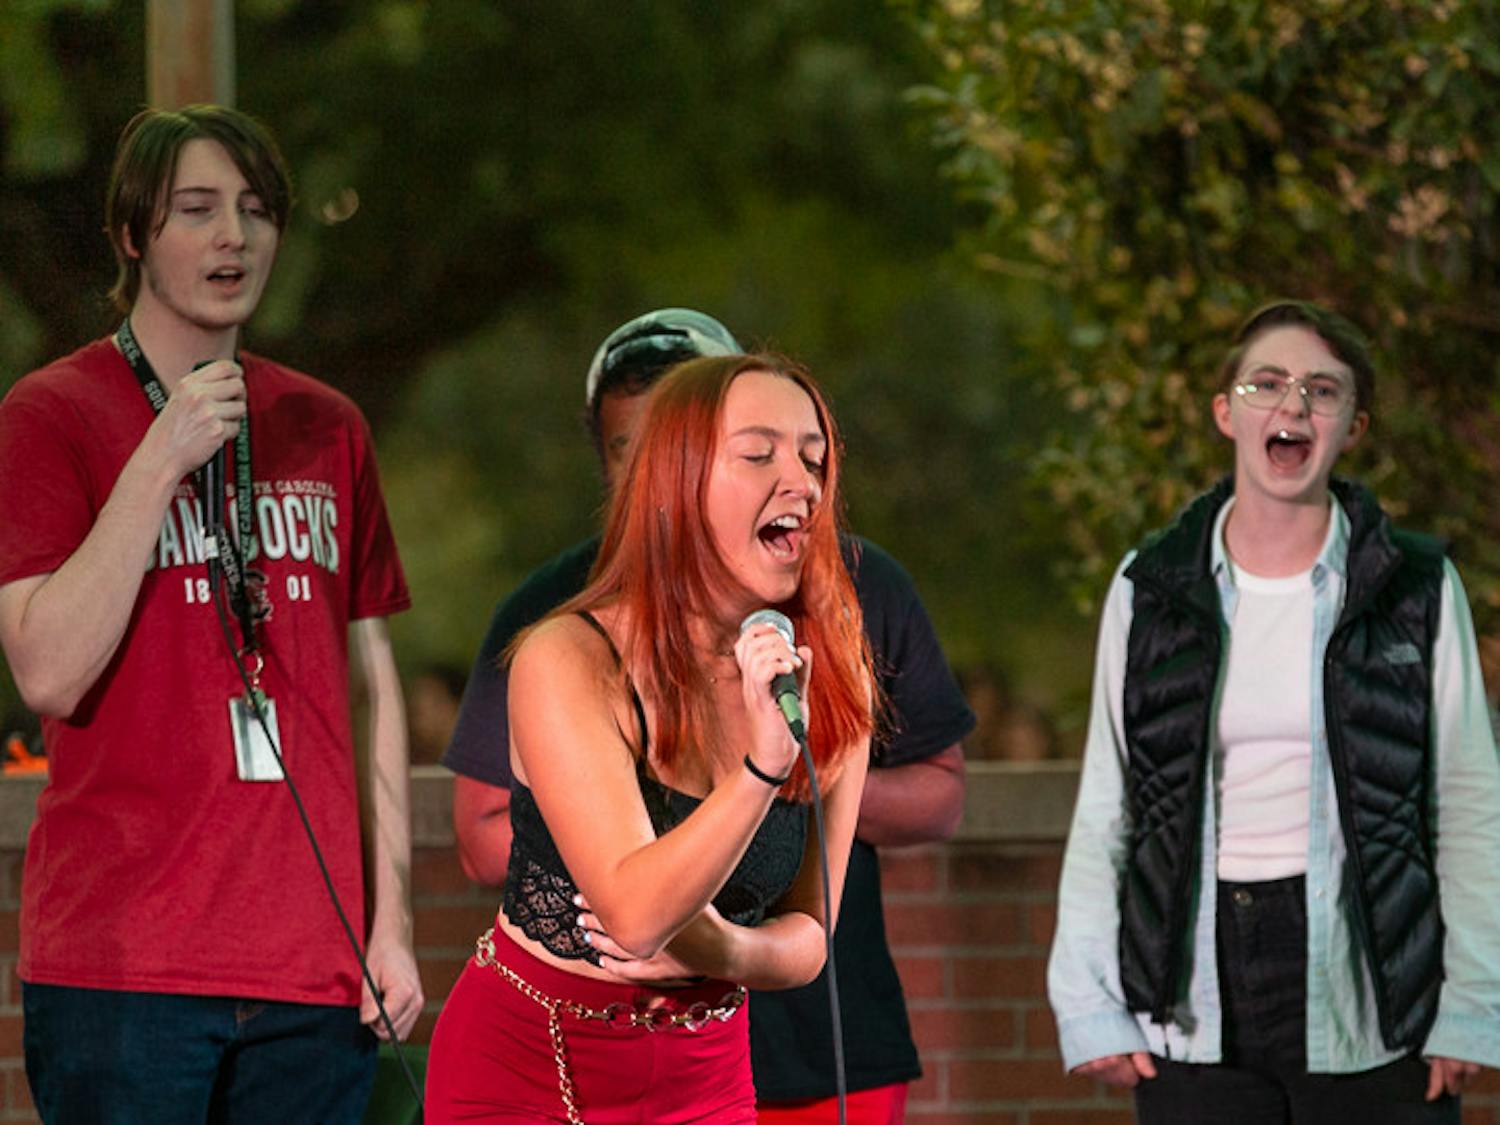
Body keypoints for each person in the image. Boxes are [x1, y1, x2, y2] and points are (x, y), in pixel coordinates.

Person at [441, 309, 973, 1120]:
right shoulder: (567, 655)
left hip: (706, 1068)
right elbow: (635, 911)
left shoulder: (833, 671)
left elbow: (810, 927)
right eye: (758, 454)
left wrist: (733, 950)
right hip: (535, 1060)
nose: (799, 480)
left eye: (813, 457)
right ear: (673, 480)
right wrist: (761, 769)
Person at [0, 105, 422, 1123]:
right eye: (197, 209)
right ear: (133, 235)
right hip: (123, 969)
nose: (235, 235)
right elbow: (47, 671)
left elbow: (371, 687)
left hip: (314, 966)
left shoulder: (327, 426)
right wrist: (160, 459)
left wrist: (391, 918)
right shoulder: (49, 415)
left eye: (257, 210)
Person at [1047, 299, 1500, 1123]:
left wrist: (1475, 1001)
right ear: (1227, 412)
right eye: (1268, 383)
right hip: (1192, 988)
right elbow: (1111, 803)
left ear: (1351, 426)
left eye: (1322, 391)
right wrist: (1088, 998)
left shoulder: (1417, 587)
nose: (1293, 404)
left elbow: (1470, 804)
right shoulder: (1148, 588)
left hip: (1374, 985)